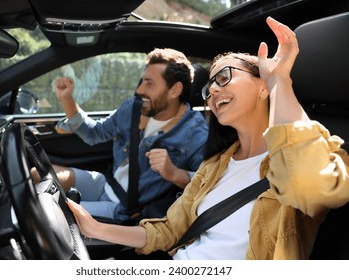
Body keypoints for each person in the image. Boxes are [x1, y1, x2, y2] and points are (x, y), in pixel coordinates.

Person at [66, 16, 349, 260]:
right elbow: (170, 230)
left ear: (263, 86)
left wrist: (279, 82)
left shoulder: (320, 154)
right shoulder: (214, 165)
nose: (212, 90)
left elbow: (309, 186)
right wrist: (94, 229)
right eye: (209, 85)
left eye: (223, 77)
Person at [45, 48, 208, 222]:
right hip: (106, 184)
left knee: (47, 210)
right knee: (38, 174)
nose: (139, 90)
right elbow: (94, 133)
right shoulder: (133, 108)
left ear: (175, 90)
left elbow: (207, 186)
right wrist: (67, 99)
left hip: (124, 209)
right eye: (141, 81)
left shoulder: (196, 135)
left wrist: (174, 173)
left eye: (149, 83)